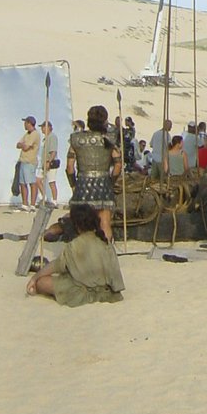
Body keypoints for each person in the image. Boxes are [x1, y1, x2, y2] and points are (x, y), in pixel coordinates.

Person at [25, 203, 125, 306]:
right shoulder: (105, 243)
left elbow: (56, 266)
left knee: (42, 282)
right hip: (109, 292)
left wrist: (35, 278)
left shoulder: (74, 245)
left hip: (83, 292)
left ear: (76, 225)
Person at [66, 105, 122, 242]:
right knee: (105, 225)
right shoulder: (109, 139)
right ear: (105, 121)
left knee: (82, 228)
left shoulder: (77, 139)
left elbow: (70, 167)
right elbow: (118, 164)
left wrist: (73, 184)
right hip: (103, 185)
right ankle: (106, 255)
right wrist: (111, 181)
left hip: (82, 185)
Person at [16, 116, 41, 211]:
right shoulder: (26, 134)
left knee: (32, 183)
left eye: (25, 123)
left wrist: (23, 145)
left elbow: (26, 147)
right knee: (22, 183)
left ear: (29, 123)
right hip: (23, 161)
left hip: (30, 162)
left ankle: (33, 204)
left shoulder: (35, 134)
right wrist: (22, 145)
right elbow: (18, 144)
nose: (24, 125)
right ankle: (25, 204)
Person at [37, 120, 60, 206]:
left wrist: (49, 162)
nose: (42, 129)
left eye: (43, 127)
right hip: (44, 164)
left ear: (48, 128)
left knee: (51, 182)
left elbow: (53, 151)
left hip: (51, 163)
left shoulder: (52, 137)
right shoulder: (46, 138)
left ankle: (54, 201)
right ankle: (44, 198)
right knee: (38, 180)